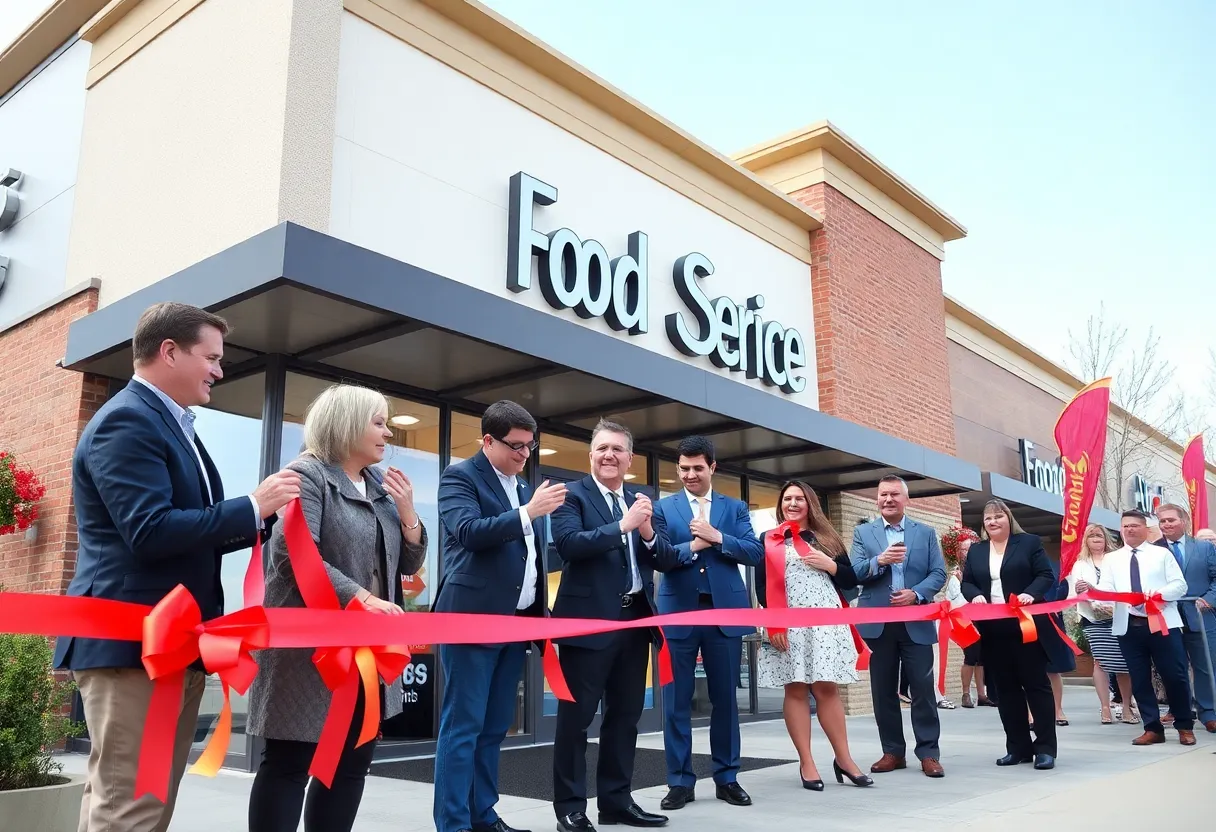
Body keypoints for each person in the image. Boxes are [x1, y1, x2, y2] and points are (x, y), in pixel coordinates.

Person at [54, 302, 301, 832]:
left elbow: (188, 533)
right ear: (169, 351)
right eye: (210, 357)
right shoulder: (126, 421)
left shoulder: (170, 424)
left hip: (169, 648)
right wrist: (250, 508)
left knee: (142, 801)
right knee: (131, 806)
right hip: (133, 648)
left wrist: (261, 523)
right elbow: (150, 531)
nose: (218, 369)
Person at [247, 384, 427, 832]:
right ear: (347, 423)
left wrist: (408, 514)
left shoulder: (379, 488)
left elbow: (406, 563)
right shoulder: (306, 475)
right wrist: (361, 598)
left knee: (350, 764)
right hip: (308, 654)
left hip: (367, 652)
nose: (389, 434)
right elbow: (292, 552)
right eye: (379, 422)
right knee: (290, 764)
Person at [431, 400, 566, 832]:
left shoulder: (525, 490)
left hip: (517, 624)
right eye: (516, 446)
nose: (524, 455)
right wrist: (529, 512)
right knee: (463, 729)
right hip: (471, 621)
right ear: (487, 441)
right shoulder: (459, 477)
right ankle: (453, 824)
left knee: (493, 730)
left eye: (530, 446)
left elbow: (530, 557)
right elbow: (469, 532)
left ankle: (483, 816)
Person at [549, 420, 680, 831]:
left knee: (625, 717)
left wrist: (645, 533)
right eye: (602, 448)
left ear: (629, 458)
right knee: (576, 720)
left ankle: (616, 802)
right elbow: (569, 545)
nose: (609, 455)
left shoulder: (643, 500)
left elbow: (666, 559)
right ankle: (570, 808)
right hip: (586, 626)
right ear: (591, 455)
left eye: (617, 450)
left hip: (634, 622)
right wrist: (621, 527)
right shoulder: (572, 495)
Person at [653, 436, 762, 811]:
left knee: (724, 702)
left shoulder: (735, 508)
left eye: (697, 468)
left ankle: (727, 777)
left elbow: (755, 552)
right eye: (683, 468)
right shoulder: (663, 508)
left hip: (724, 617)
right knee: (675, 703)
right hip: (678, 615)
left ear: (712, 467)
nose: (690, 475)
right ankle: (680, 782)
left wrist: (717, 538)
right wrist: (693, 548)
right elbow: (661, 557)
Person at [755, 481, 872, 791]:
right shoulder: (768, 540)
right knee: (795, 690)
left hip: (825, 622)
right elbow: (761, 588)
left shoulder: (827, 538)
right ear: (781, 504)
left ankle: (844, 760)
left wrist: (830, 564)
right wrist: (774, 624)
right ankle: (807, 762)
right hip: (788, 624)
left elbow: (850, 581)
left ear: (810, 504)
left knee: (826, 688)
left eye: (800, 498)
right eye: (788, 499)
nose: (793, 503)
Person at [849, 475, 947, 778]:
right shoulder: (863, 532)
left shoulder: (926, 533)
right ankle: (892, 752)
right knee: (883, 690)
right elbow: (854, 573)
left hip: (915, 620)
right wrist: (879, 560)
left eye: (894, 494)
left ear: (906, 499)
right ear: (876, 499)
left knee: (922, 688)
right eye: (882, 495)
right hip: (877, 624)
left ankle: (928, 753)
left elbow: (939, 573)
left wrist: (916, 594)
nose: (888, 499)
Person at [961, 500, 1057, 770]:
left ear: (1008, 518)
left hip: (1025, 624)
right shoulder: (977, 551)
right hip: (993, 628)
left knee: (1036, 687)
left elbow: (1045, 575)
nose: (993, 522)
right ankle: (1018, 748)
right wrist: (975, 595)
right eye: (988, 518)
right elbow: (967, 581)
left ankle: (1046, 748)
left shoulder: (1028, 542)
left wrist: (1030, 593)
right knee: (1005, 690)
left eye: (998, 516)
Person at [1095, 510, 1196, 746]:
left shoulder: (1161, 554)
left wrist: (1159, 595)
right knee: (1139, 679)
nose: (1129, 530)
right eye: (1125, 526)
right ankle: (1152, 728)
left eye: (1134, 525)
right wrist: (1098, 596)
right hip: (1129, 626)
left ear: (1145, 528)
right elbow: (1107, 587)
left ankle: (1184, 725)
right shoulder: (1112, 558)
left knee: (1175, 675)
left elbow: (1179, 585)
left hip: (1161, 622)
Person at [1154, 503, 1216, 733]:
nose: (1167, 524)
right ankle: (1179, 710)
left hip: (1201, 615)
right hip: (1166, 617)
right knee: (1172, 668)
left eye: (1171, 520)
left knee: (1205, 667)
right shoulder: (1154, 550)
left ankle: (1208, 713)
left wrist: (1208, 599)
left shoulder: (1204, 548)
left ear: (1184, 521)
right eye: (1162, 521)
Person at [1068, 523, 1138, 725]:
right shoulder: (1080, 564)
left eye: (1099, 535)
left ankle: (1126, 706)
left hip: (1119, 616)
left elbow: (1126, 586)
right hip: (1093, 619)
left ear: (1106, 539)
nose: (1096, 539)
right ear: (1086, 541)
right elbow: (1075, 592)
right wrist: (1093, 602)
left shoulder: (1117, 560)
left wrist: (1112, 605)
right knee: (1101, 662)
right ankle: (1105, 708)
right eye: (1091, 536)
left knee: (1123, 663)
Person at [943, 527, 991, 708]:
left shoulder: (979, 570)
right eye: (963, 549)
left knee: (982, 657)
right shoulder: (957, 575)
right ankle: (965, 693)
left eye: (969, 548)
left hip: (981, 617)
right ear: (958, 552)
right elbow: (955, 599)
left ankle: (981, 694)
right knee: (971, 655)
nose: (967, 552)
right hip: (964, 620)